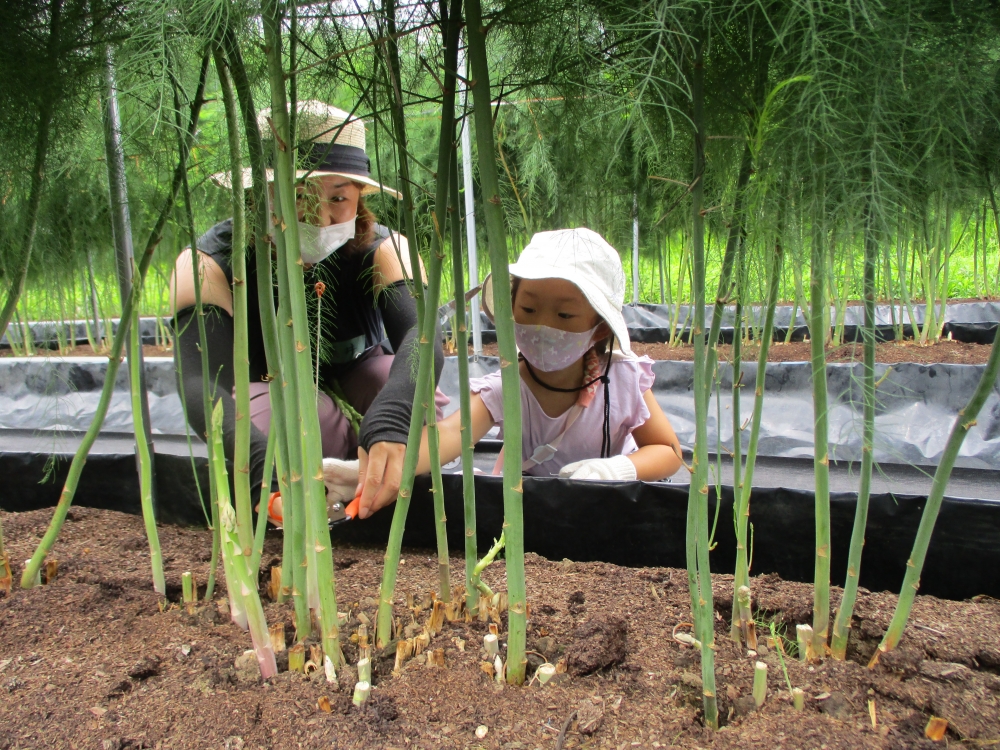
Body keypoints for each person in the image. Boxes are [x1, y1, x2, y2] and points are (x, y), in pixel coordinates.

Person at [169, 100, 443, 520]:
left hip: (360, 381)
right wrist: (256, 457)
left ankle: (377, 463)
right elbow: (198, 381)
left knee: (415, 394)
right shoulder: (207, 264)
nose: (319, 215)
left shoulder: (385, 250)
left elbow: (422, 339)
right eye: (298, 195)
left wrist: (390, 414)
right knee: (292, 418)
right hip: (271, 391)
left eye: (339, 197)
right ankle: (322, 480)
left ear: (361, 199)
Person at [326, 226, 681, 495]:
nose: (543, 325)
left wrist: (616, 470)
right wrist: (369, 473)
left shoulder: (621, 379)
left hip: (610, 509)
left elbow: (667, 450)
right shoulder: (505, 388)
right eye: (528, 308)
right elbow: (448, 435)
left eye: (565, 315)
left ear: (600, 329)